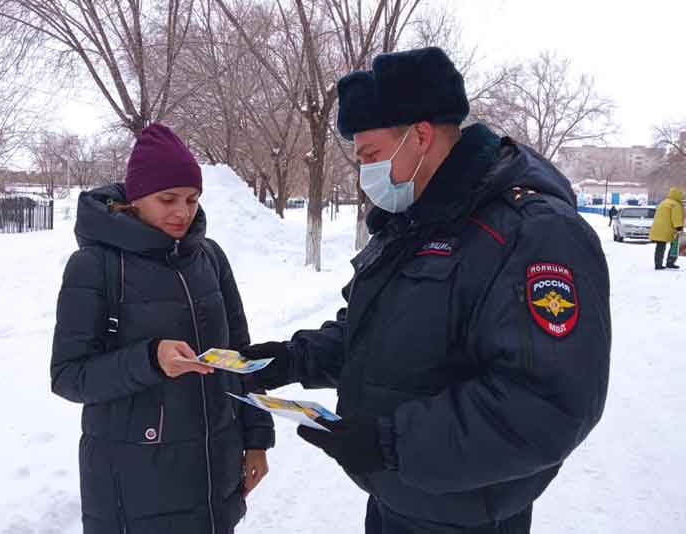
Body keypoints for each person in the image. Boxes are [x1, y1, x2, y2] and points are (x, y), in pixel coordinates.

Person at [241, 47, 610, 534]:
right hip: (397, 497)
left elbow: (547, 402)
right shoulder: (414, 221)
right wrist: (292, 360)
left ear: (419, 135)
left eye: (370, 156)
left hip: (467, 515)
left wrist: (393, 443)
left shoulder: (531, 232)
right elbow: (377, 330)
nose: (365, 173)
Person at [51, 124, 274, 534]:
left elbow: (241, 355)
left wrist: (256, 437)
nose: (182, 212)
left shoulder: (209, 257)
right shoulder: (95, 266)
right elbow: (68, 377)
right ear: (136, 198)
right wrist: (150, 360)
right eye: (167, 199)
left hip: (214, 472)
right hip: (136, 485)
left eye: (192, 200)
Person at [650, 187, 684, 270]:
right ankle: (670, 262)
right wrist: (679, 228)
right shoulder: (675, 204)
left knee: (660, 247)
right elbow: (676, 217)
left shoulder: (664, 202)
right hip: (669, 229)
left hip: (657, 228)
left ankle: (658, 264)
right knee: (675, 245)